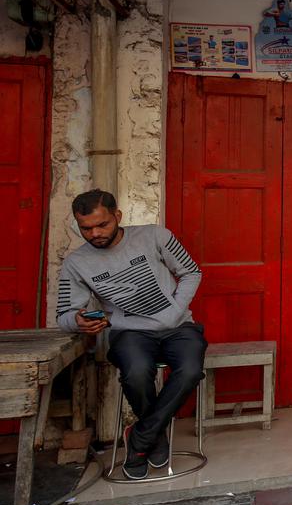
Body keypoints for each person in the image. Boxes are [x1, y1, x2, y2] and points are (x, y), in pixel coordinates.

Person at [55, 190, 207, 480]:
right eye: (86, 228)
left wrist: (174, 311)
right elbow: (64, 315)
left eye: (103, 225)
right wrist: (78, 321)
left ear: (118, 217)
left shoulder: (154, 236)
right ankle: (154, 436)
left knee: (190, 371)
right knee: (136, 372)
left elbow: (191, 272)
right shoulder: (77, 263)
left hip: (178, 327)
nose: (95, 233)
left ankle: (140, 436)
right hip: (130, 333)